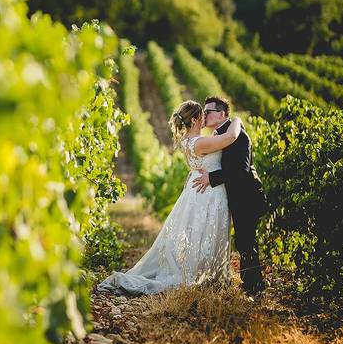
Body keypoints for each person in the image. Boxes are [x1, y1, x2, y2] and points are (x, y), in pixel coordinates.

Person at [97, 100, 239, 296]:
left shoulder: (187, 141)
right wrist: (237, 119)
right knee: (203, 231)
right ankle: (202, 275)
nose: (206, 118)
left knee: (199, 232)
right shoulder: (200, 142)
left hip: (198, 189)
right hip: (207, 193)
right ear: (196, 119)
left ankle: (207, 275)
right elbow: (231, 136)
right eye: (203, 115)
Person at [190, 96, 269, 296]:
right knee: (243, 240)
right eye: (204, 112)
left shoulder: (238, 136)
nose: (205, 115)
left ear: (222, 114)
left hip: (247, 196)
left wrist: (212, 178)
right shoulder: (221, 134)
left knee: (246, 240)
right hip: (235, 196)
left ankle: (254, 286)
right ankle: (252, 283)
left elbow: (240, 170)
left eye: (209, 111)